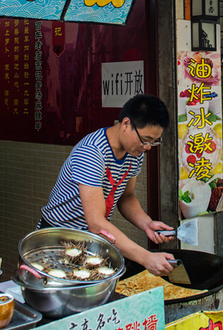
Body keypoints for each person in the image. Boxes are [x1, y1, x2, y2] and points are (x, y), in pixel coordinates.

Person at [37, 94, 176, 276]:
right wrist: (145, 257)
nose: (148, 147)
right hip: (58, 238)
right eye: (146, 139)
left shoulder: (134, 152)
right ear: (126, 124)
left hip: (91, 241)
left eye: (154, 141)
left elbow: (126, 197)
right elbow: (95, 222)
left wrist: (147, 224)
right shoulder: (92, 152)